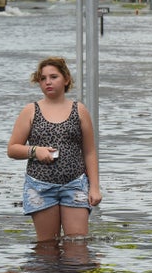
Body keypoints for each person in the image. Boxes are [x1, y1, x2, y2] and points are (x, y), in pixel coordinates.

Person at [8, 57, 102, 243]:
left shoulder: (79, 110)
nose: (48, 82)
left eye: (53, 77)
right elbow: (12, 149)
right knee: (46, 248)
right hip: (40, 187)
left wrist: (95, 188)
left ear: (66, 79)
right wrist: (35, 151)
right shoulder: (31, 110)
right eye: (43, 78)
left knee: (77, 247)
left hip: (74, 184)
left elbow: (89, 152)